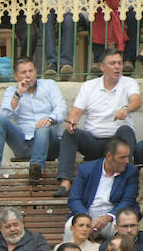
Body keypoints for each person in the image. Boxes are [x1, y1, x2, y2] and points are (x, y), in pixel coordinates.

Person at [54, 48, 140, 196]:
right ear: (102, 67)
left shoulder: (129, 83)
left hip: (117, 141)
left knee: (126, 130)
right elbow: (76, 111)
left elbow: (136, 101)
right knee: (70, 133)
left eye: (119, 63)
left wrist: (126, 108)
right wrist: (72, 121)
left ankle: (126, 179)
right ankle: (65, 182)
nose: (117, 67)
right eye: (112, 63)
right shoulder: (89, 86)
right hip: (94, 141)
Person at [0, 58, 65, 181]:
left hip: (49, 144)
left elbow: (61, 109)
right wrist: (18, 94)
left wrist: (49, 119)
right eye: (23, 72)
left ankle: (36, 168)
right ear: (16, 77)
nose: (28, 75)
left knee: (42, 128)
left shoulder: (49, 85)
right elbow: (4, 116)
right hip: (24, 145)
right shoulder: (12, 91)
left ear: (36, 72)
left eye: (31, 71)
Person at [68, 137, 139, 234]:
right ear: (109, 156)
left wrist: (109, 216)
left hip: (112, 219)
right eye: (122, 157)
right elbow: (74, 198)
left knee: (124, 227)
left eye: (128, 156)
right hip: (86, 215)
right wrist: (86, 218)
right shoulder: (86, 169)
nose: (127, 161)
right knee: (69, 227)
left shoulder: (130, 172)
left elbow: (128, 201)